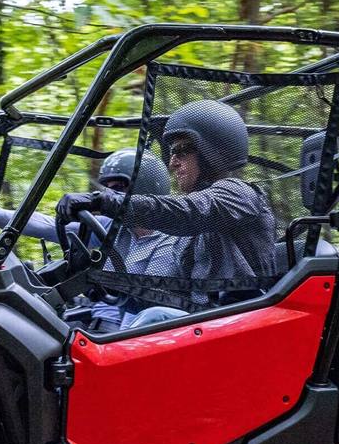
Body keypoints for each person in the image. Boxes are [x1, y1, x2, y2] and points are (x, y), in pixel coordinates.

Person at [56, 100, 277, 328]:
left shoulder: (238, 193)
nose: (172, 163)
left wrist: (102, 201)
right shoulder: (194, 232)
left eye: (180, 151)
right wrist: (103, 285)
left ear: (212, 150)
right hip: (210, 324)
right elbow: (173, 299)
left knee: (152, 321)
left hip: (243, 323)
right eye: (171, 153)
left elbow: (187, 212)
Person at [0, 148, 180, 331]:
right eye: (106, 188)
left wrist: (101, 286)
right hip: (100, 324)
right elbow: (46, 225)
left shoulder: (173, 241)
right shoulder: (112, 229)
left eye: (118, 188)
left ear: (147, 186)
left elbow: (148, 300)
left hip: (134, 336)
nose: (109, 195)